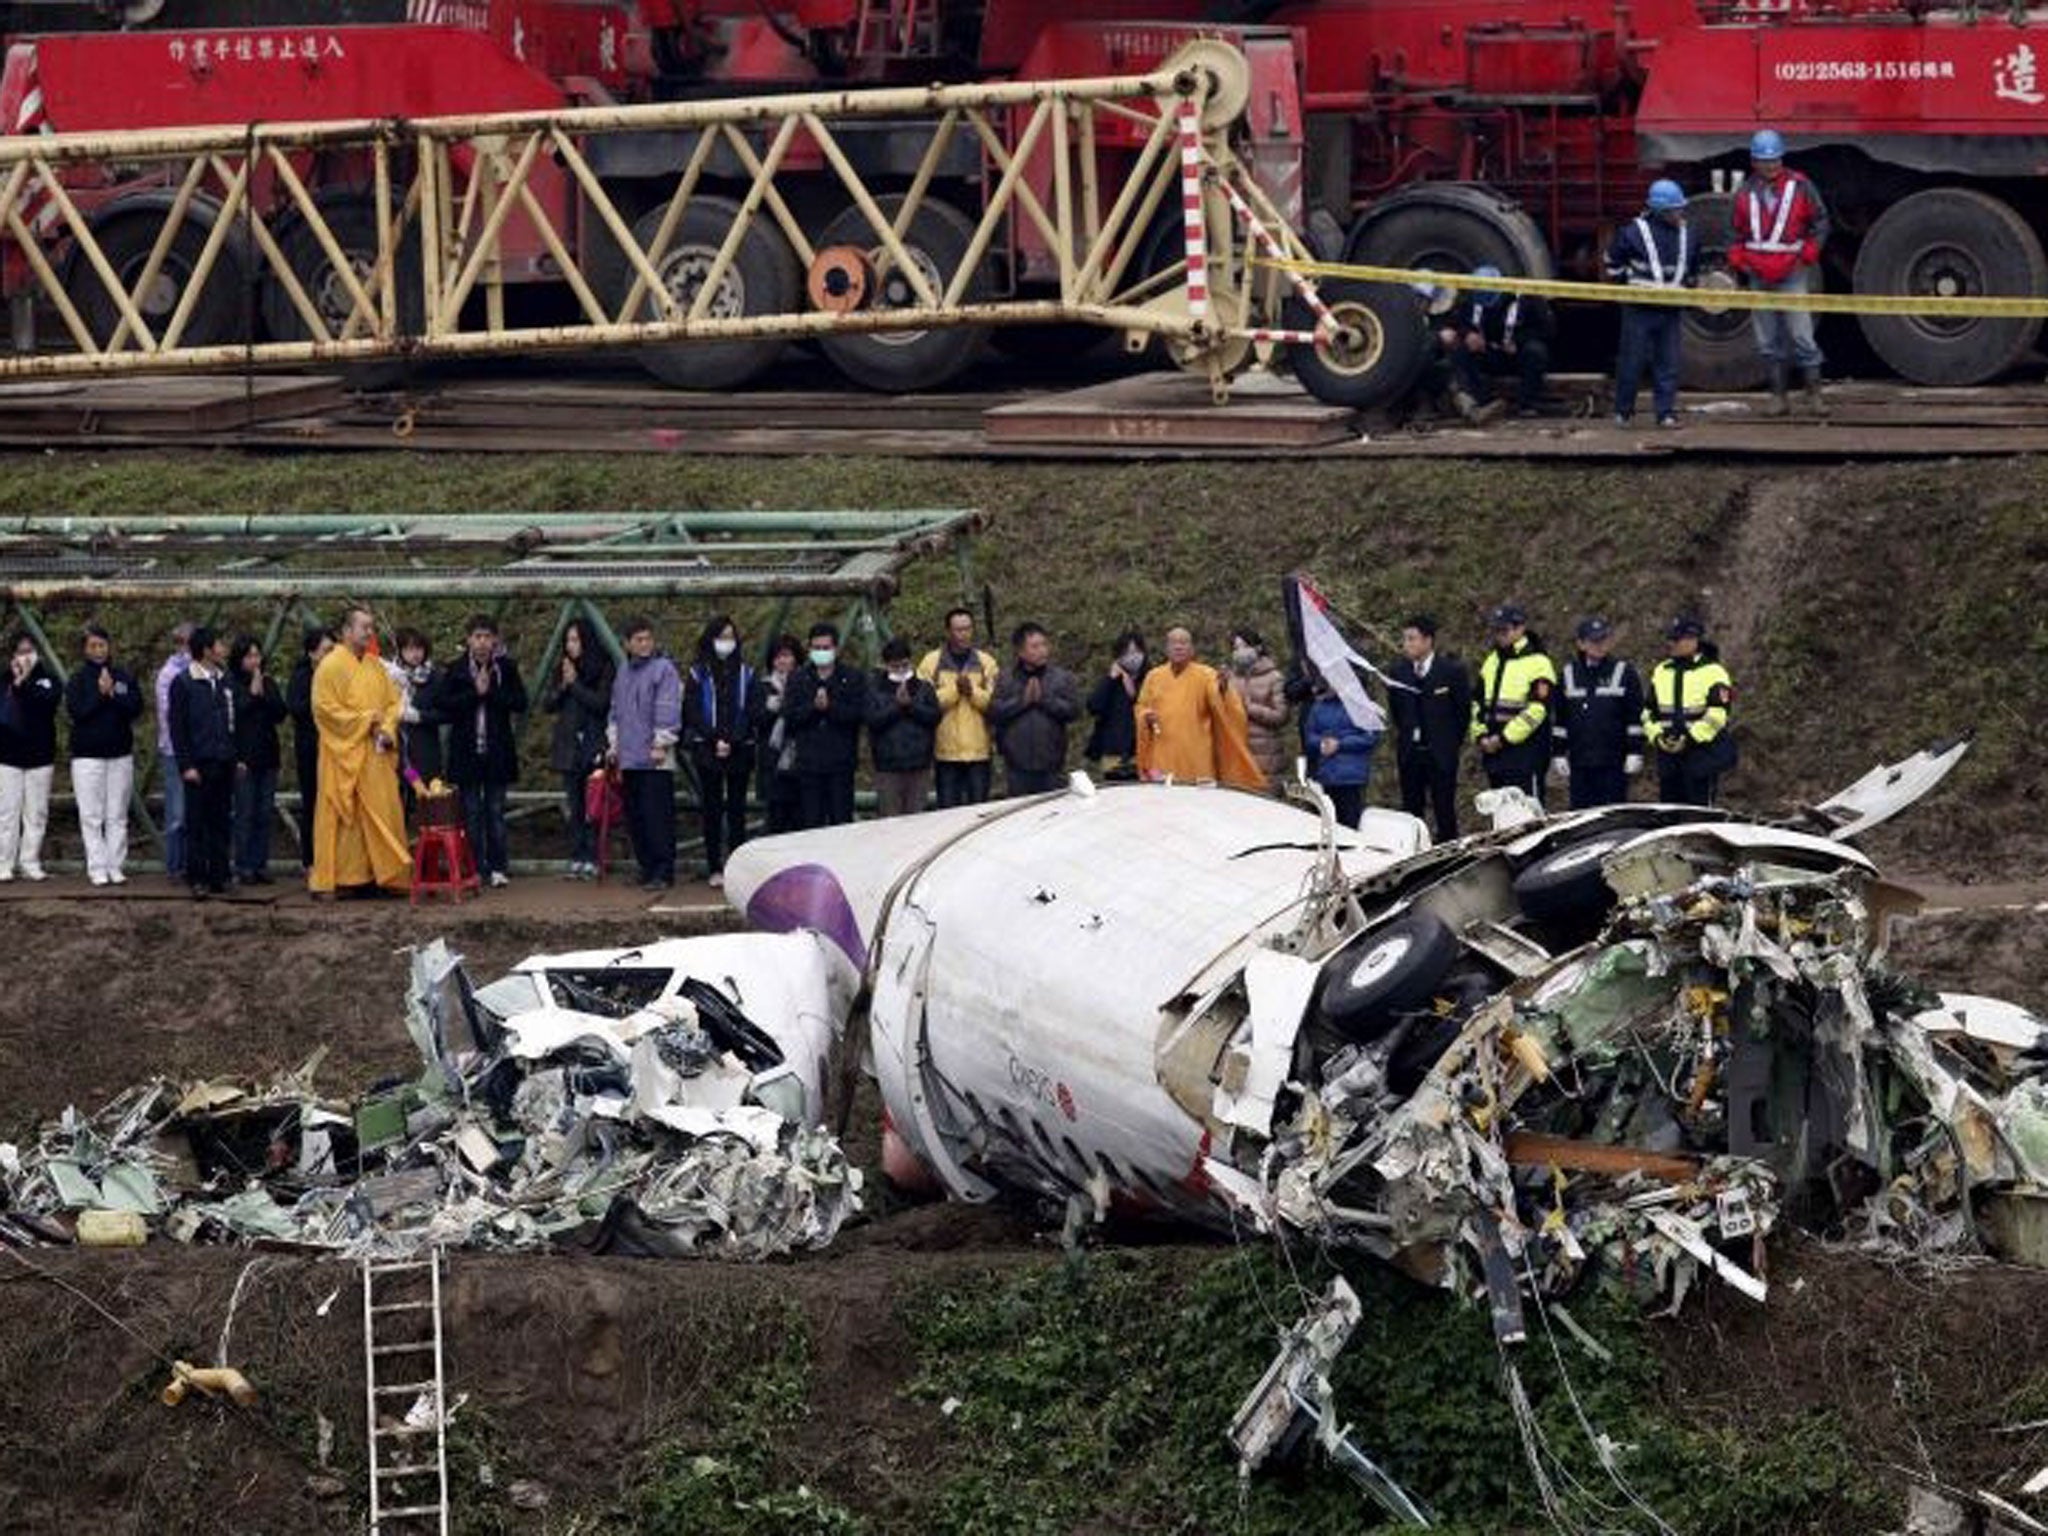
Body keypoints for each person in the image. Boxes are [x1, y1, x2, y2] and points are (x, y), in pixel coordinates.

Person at [1728, 127, 1830, 418]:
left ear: (1782, 159)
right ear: (1754, 162)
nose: (1770, 166)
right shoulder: (1744, 194)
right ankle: (1778, 397)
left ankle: (1814, 396)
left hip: (1792, 273)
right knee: (1768, 340)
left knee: (1802, 336)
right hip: (1759, 274)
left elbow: (1820, 222)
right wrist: (1739, 260)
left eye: (1774, 160)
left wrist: (1811, 251)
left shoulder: (1800, 187)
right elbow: (1733, 232)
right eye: (1764, 161)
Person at [310, 605, 410, 898]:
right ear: (347, 631)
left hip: (375, 755)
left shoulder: (375, 665)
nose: (369, 632)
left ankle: (383, 875)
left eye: (371, 627)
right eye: (364, 627)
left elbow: (393, 704)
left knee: (383, 810)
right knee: (346, 820)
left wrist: (388, 729)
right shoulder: (330, 667)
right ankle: (344, 879)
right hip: (343, 755)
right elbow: (324, 711)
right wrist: (367, 720)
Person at [438, 615, 526, 888]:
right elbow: (445, 705)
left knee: (495, 811)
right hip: (466, 753)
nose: (482, 642)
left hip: (497, 751)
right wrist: (474, 693)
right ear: (468, 639)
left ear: (495, 640)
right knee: (472, 813)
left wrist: (491, 693)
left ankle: (499, 867)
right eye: (477, 637)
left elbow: (520, 702)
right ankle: (475, 866)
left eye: (487, 637)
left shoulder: (506, 669)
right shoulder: (455, 669)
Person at [683, 614, 761, 888]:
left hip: (739, 750)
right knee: (712, 809)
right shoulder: (697, 673)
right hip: (707, 749)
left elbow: (753, 711)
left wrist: (734, 740)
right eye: (721, 636)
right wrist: (714, 738)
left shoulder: (746, 673)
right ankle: (714, 866)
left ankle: (737, 868)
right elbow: (692, 711)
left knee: (738, 810)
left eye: (730, 636)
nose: (726, 642)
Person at [1607, 179, 1692, 428]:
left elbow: (1692, 268)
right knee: (1632, 362)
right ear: (1661, 211)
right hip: (1639, 308)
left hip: (1668, 308)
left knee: (1669, 363)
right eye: (1675, 209)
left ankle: (1665, 413)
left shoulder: (1687, 233)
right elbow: (1612, 262)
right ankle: (1624, 411)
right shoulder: (1633, 233)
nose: (1680, 213)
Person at [1134, 627, 1266, 789]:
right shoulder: (1153, 676)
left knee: (1200, 806)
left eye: (1184, 642)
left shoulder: (1206, 675)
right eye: (1174, 643)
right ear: (1166, 648)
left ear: (1192, 649)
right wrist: (1146, 715)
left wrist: (1223, 688)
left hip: (1197, 755)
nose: (1178, 647)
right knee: (1164, 806)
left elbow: (1220, 703)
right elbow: (1141, 706)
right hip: (1163, 754)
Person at [607, 615, 682, 891]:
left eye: (648, 638)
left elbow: (668, 706)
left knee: (657, 816)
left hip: (655, 758)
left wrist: (662, 741)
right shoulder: (623, 671)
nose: (644, 644)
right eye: (638, 639)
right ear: (627, 643)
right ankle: (646, 866)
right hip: (629, 756)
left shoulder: (664, 669)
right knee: (636, 816)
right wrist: (614, 744)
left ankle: (664, 870)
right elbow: (616, 711)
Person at [65, 624, 143, 886]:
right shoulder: (78, 679)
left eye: (102, 645)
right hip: (87, 757)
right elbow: (78, 712)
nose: (98, 651)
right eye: (93, 646)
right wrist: (99, 695)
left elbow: (135, 707)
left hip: (120, 755)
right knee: (91, 815)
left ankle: (115, 865)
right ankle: (97, 867)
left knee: (117, 814)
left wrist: (112, 694)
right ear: (85, 649)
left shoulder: (123, 676)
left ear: (109, 647)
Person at [1387, 614, 1470, 842]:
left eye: (1412, 639)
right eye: (1405, 639)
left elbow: (1462, 712)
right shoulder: (1399, 672)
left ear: (1428, 640)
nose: (1407, 644)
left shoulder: (1451, 672)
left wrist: (1450, 743)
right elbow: (1397, 711)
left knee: (1444, 806)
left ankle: (1449, 850)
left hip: (1441, 752)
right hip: (1410, 752)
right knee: (1412, 810)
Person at [166, 626, 236, 898]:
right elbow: (177, 728)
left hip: (223, 760)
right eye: (219, 644)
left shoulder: (225, 680)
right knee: (196, 822)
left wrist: (234, 755)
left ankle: (221, 875)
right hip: (199, 763)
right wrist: (186, 765)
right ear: (206, 649)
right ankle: (198, 877)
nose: (223, 649)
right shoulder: (183, 682)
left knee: (221, 820)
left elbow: (232, 721)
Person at [1550, 617, 1645, 811]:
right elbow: (1561, 719)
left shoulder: (1624, 672)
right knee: (1581, 816)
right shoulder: (1568, 674)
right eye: (1594, 641)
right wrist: (1558, 753)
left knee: (1613, 815)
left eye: (1604, 640)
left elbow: (1634, 717)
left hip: (1613, 761)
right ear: (1581, 643)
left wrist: (1635, 751)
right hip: (1580, 761)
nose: (1600, 645)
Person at [543, 618, 613, 880]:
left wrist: (575, 685)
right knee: (574, 804)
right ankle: (577, 855)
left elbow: (600, 704)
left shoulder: (604, 667)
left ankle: (595, 856)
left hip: (593, 744)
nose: (571, 646)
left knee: (593, 805)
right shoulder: (562, 668)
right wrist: (563, 685)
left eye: (576, 640)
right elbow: (548, 704)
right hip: (569, 745)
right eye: (568, 640)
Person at [1441, 265, 1555, 420]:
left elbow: (1547, 329)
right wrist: (1468, 334)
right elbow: (1455, 321)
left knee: (1536, 351)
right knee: (1460, 352)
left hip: (1517, 354)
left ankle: (1527, 404)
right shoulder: (1470, 301)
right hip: (1489, 352)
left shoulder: (1527, 299)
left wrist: (1519, 341)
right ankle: (1479, 402)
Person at [1645, 616, 1736, 807]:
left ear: (1693, 640)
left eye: (1676, 640)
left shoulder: (1714, 672)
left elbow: (1717, 716)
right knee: (1669, 815)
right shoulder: (1661, 671)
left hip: (1702, 757)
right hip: (1669, 759)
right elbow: (1648, 712)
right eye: (1670, 639)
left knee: (1700, 815)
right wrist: (1657, 737)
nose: (1671, 644)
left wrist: (1689, 739)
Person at [1470, 605, 1557, 804]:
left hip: (1525, 752)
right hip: (1494, 754)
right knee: (1500, 813)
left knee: (1529, 812)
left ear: (1520, 629)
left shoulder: (1538, 662)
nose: (1499, 635)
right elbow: (1477, 703)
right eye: (1496, 630)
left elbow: (1538, 709)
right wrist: (1480, 735)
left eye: (1504, 630)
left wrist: (1504, 738)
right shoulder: (1491, 661)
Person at [785, 623, 867, 829]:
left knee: (841, 822)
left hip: (840, 763)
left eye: (825, 648)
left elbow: (858, 715)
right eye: (816, 648)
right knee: (811, 823)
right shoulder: (798, 678)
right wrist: (813, 708)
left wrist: (831, 708)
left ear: (836, 649)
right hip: (808, 764)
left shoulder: (853, 677)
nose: (821, 652)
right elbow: (791, 717)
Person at [918, 607, 999, 809]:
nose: (964, 634)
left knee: (979, 811)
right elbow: (924, 703)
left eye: (968, 629)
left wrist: (972, 692)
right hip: (946, 753)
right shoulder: (931, 662)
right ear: (948, 631)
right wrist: (954, 691)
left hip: (978, 752)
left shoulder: (986, 662)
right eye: (958, 629)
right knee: (947, 812)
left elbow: (994, 703)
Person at [990, 622, 1081, 797]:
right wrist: (1022, 702)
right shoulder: (1006, 678)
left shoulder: (1060, 677)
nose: (1042, 651)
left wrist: (1045, 700)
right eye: (1035, 646)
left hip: (1052, 765)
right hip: (1017, 766)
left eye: (1044, 645)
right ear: (1020, 651)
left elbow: (1074, 711)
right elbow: (994, 712)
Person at [0, 630, 63, 882]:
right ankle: (4, 863)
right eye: (20, 651)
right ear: (12, 655)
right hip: (8, 757)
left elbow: (45, 705)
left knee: (36, 813)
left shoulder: (48, 680)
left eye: (29, 651)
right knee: (8, 813)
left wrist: (25, 682)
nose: (25, 656)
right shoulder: (3, 681)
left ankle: (30, 861)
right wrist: (15, 684)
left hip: (40, 756)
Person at [227, 635, 288, 884]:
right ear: (239, 658)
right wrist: (252, 694)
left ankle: (260, 864)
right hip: (244, 759)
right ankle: (243, 865)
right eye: (249, 656)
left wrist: (264, 693)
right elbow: (236, 715)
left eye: (257, 655)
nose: (255, 660)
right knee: (245, 814)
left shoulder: (268, 681)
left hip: (268, 757)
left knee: (264, 814)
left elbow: (280, 713)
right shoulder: (230, 684)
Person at [865, 637, 941, 816]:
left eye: (904, 665)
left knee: (917, 820)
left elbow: (934, 717)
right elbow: (872, 721)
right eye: (895, 666)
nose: (900, 670)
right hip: (888, 767)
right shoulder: (875, 689)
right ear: (886, 665)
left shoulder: (924, 688)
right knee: (890, 821)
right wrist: (897, 706)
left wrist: (911, 706)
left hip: (919, 764)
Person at [1304, 677, 1382, 828]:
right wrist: (1321, 744)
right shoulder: (1319, 706)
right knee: (1328, 823)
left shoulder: (1361, 706)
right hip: (1326, 774)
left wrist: (1341, 744)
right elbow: (1309, 735)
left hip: (1351, 776)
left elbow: (1370, 737)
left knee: (1350, 823)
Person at [286, 626, 333, 872]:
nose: (330, 655)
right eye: (325, 650)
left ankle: (333, 858)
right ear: (312, 653)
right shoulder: (302, 676)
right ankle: (311, 860)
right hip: (310, 748)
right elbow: (295, 707)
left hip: (335, 747)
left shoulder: (337, 673)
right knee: (313, 801)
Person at [153, 620, 195, 882]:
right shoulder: (169, 674)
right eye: (184, 643)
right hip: (174, 752)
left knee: (194, 812)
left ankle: (192, 864)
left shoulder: (202, 671)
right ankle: (175, 867)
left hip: (197, 752)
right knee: (177, 813)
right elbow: (170, 717)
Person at [1225, 627, 1289, 790]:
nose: (1240, 651)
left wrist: (1251, 708)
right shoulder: (1231, 678)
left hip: (1266, 754)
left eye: (1245, 646)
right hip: (1238, 750)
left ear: (1258, 648)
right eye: (1236, 648)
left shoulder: (1273, 677)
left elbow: (1281, 716)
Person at [1085, 630, 1149, 781]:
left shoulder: (1151, 678)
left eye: (1136, 651)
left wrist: (1134, 694)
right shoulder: (1112, 681)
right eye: (1127, 652)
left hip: (1142, 752)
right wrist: (1110, 679)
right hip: (1114, 753)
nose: (1132, 657)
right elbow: (1093, 706)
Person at [756, 635, 804, 835]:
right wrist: (772, 708)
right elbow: (756, 720)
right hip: (773, 763)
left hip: (801, 760)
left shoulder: (805, 684)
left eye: (787, 655)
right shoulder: (762, 687)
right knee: (775, 820)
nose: (782, 661)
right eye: (778, 657)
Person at [392, 627, 445, 798]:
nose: (414, 654)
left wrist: (419, 716)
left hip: (425, 753)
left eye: (418, 648)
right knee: (398, 800)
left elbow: (445, 714)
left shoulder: (435, 677)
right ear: (400, 651)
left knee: (424, 802)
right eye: (408, 649)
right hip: (396, 751)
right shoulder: (391, 675)